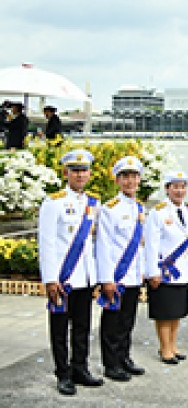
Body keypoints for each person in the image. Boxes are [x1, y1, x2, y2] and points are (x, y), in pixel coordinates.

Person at [38, 149, 104, 395]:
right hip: (63, 278)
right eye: (75, 171)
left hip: (85, 277)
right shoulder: (53, 202)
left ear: (89, 174)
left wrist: (96, 276)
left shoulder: (93, 204)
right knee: (59, 329)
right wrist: (50, 278)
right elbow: (47, 242)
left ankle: (80, 368)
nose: (79, 175)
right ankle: (63, 373)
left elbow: (94, 243)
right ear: (66, 173)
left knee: (82, 326)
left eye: (84, 170)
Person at [96, 156, 147, 382]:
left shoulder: (140, 208)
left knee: (127, 320)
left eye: (134, 177)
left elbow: (142, 245)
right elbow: (104, 246)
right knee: (112, 322)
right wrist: (107, 279)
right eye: (125, 177)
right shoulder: (110, 209)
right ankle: (111, 364)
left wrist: (144, 270)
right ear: (117, 181)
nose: (130, 181)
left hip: (134, 275)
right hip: (117, 276)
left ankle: (124, 357)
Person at [145, 171, 188, 364]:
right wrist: (152, 271)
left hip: (183, 271)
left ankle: (173, 345)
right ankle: (164, 348)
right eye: (175, 187)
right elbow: (151, 244)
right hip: (164, 271)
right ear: (167, 189)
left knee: (177, 312)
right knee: (164, 312)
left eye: (182, 187)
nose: (179, 191)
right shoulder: (158, 213)